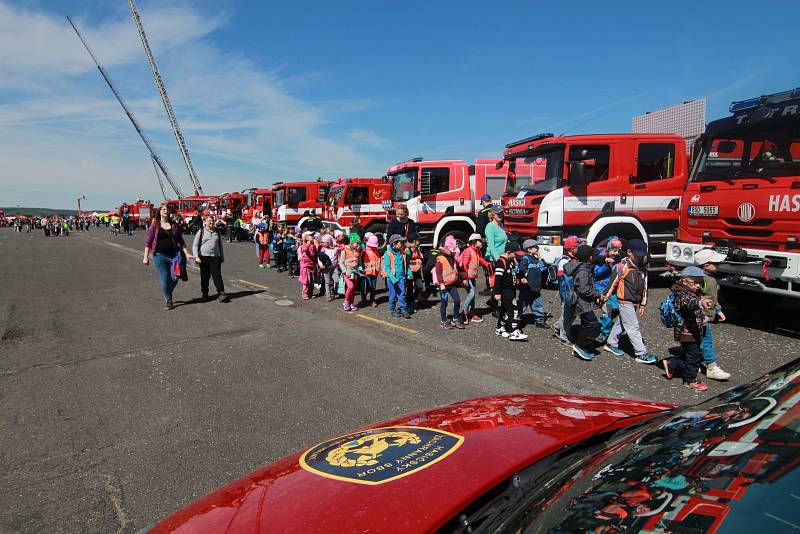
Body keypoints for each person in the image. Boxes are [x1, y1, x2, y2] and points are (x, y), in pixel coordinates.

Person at [603, 239, 658, 364]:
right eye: (637, 254)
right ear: (629, 252)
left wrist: (643, 304)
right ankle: (641, 353)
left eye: (641, 255)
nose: (639, 257)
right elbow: (613, 283)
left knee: (622, 323)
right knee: (633, 327)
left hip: (635, 302)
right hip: (624, 300)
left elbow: (645, 287)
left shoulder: (643, 268)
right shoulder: (622, 266)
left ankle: (611, 343)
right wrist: (605, 296)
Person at [663, 266, 713, 392]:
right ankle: (690, 379)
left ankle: (672, 364)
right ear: (685, 281)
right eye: (695, 282)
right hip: (687, 331)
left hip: (691, 330)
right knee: (694, 355)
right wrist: (700, 303)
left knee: (690, 354)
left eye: (700, 282)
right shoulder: (684, 294)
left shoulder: (689, 292)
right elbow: (689, 302)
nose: (698, 286)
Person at [143, 203, 192, 310]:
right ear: (159, 212)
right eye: (163, 209)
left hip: (174, 255)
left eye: (167, 209)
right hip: (159, 256)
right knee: (165, 279)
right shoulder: (155, 225)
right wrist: (145, 256)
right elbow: (148, 242)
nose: (165, 211)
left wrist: (187, 253)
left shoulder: (174, 225)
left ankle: (168, 293)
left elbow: (180, 240)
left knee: (175, 278)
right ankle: (168, 299)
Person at [693, 248, 731, 381]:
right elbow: (696, 296)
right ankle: (711, 367)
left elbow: (713, 297)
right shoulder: (702, 279)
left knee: (698, 339)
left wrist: (718, 310)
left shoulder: (709, 279)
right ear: (706, 265)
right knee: (706, 340)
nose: (719, 265)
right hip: (700, 315)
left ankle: (694, 362)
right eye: (716, 263)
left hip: (705, 314)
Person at [571, 245, 604, 361]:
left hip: (584, 302)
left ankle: (583, 348)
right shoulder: (584, 271)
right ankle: (579, 346)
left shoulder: (584, 267)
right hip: (583, 303)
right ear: (590, 257)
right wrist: (598, 295)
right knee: (594, 325)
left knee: (586, 324)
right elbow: (584, 290)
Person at [493, 242, 527, 340]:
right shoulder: (501, 261)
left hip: (512, 290)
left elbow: (515, 273)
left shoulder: (511, 261)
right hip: (505, 290)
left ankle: (500, 327)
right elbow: (498, 279)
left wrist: (522, 277)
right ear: (508, 252)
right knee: (513, 309)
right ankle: (514, 331)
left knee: (504, 309)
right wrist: (497, 293)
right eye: (515, 253)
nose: (517, 255)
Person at [192, 215, 226, 302]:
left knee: (217, 276)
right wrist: (196, 256)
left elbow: (220, 245)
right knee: (204, 277)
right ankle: (205, 293)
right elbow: (195, 245)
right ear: (204, 222)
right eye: (208, 221)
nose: (210, 222)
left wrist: (221, 256)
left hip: (215, 257)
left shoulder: (217, 232)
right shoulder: (201, 231)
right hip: (203, 257)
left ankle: (221, 293)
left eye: (212, 221)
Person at [552, 236, 579, 345]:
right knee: (568, 315)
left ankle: (556, 326)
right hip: (568, 293)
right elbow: (564, 280)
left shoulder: (572, 259)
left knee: (569, 314)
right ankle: (565, 337)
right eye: (577, 246)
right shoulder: (564, 262)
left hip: (572, 292)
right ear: (572, 248)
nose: (578, 249)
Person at [460, 233, 491, 324]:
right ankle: (464, 313)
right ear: (474, 242)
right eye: (480, 241)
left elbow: (480, 259)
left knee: (472, 296)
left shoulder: (476, 251)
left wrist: (488, 265)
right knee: (471, 294)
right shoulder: (468, 251)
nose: (482, 243)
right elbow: (464, 266)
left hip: (472, 277)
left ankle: (472, 314)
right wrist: (465, 279)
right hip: (467, 277)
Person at [436, 236, 465, 329]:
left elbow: (457, 270)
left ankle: (455, 319)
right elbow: (438, 272)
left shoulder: (453, 258)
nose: (454, 251)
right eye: (453, 250)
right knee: (444, 302)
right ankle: (443, 321)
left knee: (457, 300)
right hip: (444, 286)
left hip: (452, 284)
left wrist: (462, 279)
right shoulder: (440, 259)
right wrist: (441, 283)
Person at [517, 239, 547, 328]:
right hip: (527, 288)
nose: (537, 248)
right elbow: (520, 270)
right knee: (522, 305)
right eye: (535, 247)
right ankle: (514, 319)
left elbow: (543, 269)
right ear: (529, 249)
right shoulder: (526, 259)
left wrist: (540, 258)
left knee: (538, 305)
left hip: (536, 287)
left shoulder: (536, 259)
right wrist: (522, 277)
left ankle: (540, 321)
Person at [384, 234, 411, 319]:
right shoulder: (387, 254)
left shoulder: (402, 253)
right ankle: (392, 309)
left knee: (402, 294)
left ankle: (404, 310)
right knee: (393, 295)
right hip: (392, 279)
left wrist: (409, 273)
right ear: (394, 244)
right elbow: (387, 268)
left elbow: (406, 265)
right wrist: (393, 278)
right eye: (400, 242)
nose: (402, 244)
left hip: (401, 277)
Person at [340, 233, 362, 311]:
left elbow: (359, 261)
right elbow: (341, 263)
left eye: (359, 243)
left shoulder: (357, 251)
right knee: (350, 286)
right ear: (351, 242)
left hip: (355, 272)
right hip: (348, 272)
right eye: (357, 243)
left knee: (354, 289)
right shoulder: (344, 251)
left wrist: (360, 268)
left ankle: (351, 303)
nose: (358, 245)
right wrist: (345, 271)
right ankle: (346, 302)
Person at [405, 233, 424, 313]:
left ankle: (412, 301)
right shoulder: (407, 250)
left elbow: (421, 258)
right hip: (410, 273)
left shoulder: (417, 249)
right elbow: (406, 261)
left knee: (419, 286)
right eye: (418, 240)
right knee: (409, 290)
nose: (420, 241)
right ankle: (409, 305)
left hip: (417, 272)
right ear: (414, 241)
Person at [361, 235, 382, 307]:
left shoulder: (376, 251)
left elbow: (378, 261)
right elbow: (361, 262)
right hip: (366, 273)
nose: (374, 247)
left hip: (374, 273)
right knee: (365, 288)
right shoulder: (364, 252)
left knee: (373, 288)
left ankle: (372, 300)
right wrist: (362, 271)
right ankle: (363, 300)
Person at [298, 231, 318, 300]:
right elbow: (304, 250)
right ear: (306, 238)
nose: (313, 237)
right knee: (306, 281)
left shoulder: (313, 245)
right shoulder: (305, 245)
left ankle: (310, 293)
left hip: (312, 265)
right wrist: (307, 243)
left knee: (312, 281)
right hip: (306, 265)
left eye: (313, 235)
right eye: (311, 236)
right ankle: (305, 294)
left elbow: (314, 254)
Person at [318, 234, 338, 301]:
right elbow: (319, 258)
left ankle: (334, 291)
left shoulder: (336, 248)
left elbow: (339, 255)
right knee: (327, 282)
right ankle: (328, 295)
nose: (322, 244)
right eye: (322, 242)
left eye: (324, 242)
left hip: (334, 268)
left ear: (329, 242)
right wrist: (320, 264)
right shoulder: (323, 249)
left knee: (336, 281)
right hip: (326, 268)